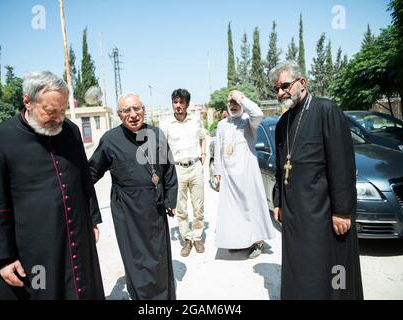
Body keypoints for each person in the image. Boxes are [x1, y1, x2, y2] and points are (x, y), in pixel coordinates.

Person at [0, 71, 104, 300]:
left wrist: (92, 219)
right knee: (41, 290)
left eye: (63, 111)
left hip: (76, 233)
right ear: (27, 101)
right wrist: (3, 257)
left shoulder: (71, 131)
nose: (58, 119)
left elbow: (83, 179)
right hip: (32, 248)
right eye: (50, 111)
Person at [270, 60, 363, 299]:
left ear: (302, 82)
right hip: (294, 213)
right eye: (277, 89)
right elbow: (282, 168)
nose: (281, 92)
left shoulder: (326, 110)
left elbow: (341, 164)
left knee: (328, 271)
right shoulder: (283, 122)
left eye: (285, 86)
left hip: (322, 212)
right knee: (300, 268)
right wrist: (278, 201)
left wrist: (342, 211)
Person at [89, 93, 178, 300]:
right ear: (119, 115)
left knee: (158, 255)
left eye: (137, 109)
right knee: (135, 258)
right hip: (126, 209)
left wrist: (170, 198)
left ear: (143, 110)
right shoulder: (110, 140)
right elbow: (91, 172)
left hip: (154, 206)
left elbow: (169, 170)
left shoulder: (156, 134)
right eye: (126, 111)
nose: (133, 114)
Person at [213, 90, 276, 259]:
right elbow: (218, 149)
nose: (233, 105)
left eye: (236, 103)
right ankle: (239, 241)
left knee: (252, 209)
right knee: (233, 212)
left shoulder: (249, 122)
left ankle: (258, 242)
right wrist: (217, 171)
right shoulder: (222, 125)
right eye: (230, 102)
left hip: (247, 175)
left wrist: (240, 97)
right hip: (229, 177)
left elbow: (258, 112)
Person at [161, 89, 206, 257]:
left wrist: (203, 154)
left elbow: (202, 137)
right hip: (177, 169)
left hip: (195, 167)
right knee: (180, 208)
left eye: (181, 102)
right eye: (175, 102)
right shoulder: (166, 124)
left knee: (198, 206)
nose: (178, 106)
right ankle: (187, 239)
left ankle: (197, 237)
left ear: (187, 104)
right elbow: (162, 148)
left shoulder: (195, 120)